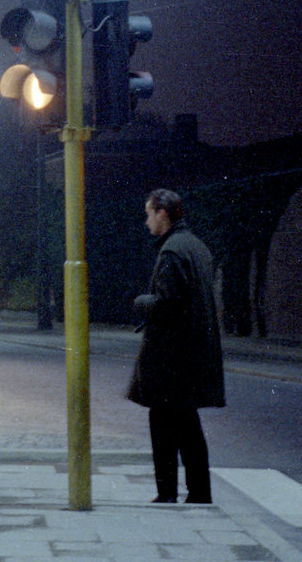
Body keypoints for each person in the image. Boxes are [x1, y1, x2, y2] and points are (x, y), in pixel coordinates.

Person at [127, 188, 225, 504]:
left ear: (162, 214)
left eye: (149, 214)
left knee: (163, 427)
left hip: (170, 360)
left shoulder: (171, 252)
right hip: (193, 355)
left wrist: (141, 302)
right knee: (189, 428)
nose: (147, 222)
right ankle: (199, 493)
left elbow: (166, 305)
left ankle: (167, 493)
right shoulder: (196, 247)